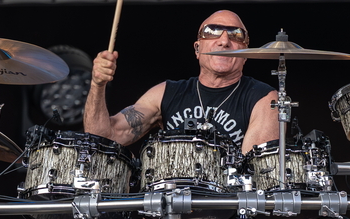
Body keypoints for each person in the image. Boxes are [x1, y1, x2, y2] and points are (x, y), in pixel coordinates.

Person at [84, 10, 279, 153]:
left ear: (246, 53)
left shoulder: (263, 98)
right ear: (197, 49)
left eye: (236, 35)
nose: (224, 41)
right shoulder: (166, 93)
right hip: (171, 196)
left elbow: (253, 173)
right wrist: (97, 85)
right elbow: (102, 137)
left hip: (228, 198)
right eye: (212, 31)